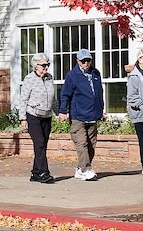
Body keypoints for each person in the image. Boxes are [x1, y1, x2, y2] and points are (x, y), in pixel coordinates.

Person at [58, 48, 104, 181]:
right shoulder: (72, 75)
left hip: (93, 115)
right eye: (83, 61)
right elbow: (65, 94)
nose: (86, 63)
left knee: (91, 144)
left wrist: (100, 111)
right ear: (78, 61)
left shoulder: (96, 73)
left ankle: (80, 168)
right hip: (78, 116)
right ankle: (86, 169)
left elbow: (99, 93)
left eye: (88, 60)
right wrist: (62, 111)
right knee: (81, 143)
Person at [19, 53, 56, 183]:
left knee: (43, 145)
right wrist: (23, 118)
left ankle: (35, 173)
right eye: (44, 65)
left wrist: (59, 111)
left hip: (47, 115)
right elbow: (23, 99)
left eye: (48, 65)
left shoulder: (49, 78)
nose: (46, 68)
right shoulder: (29, 79)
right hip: (33, 115)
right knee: (39, 143)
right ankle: (44, 173)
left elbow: (52, 97)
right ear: (36, 66)